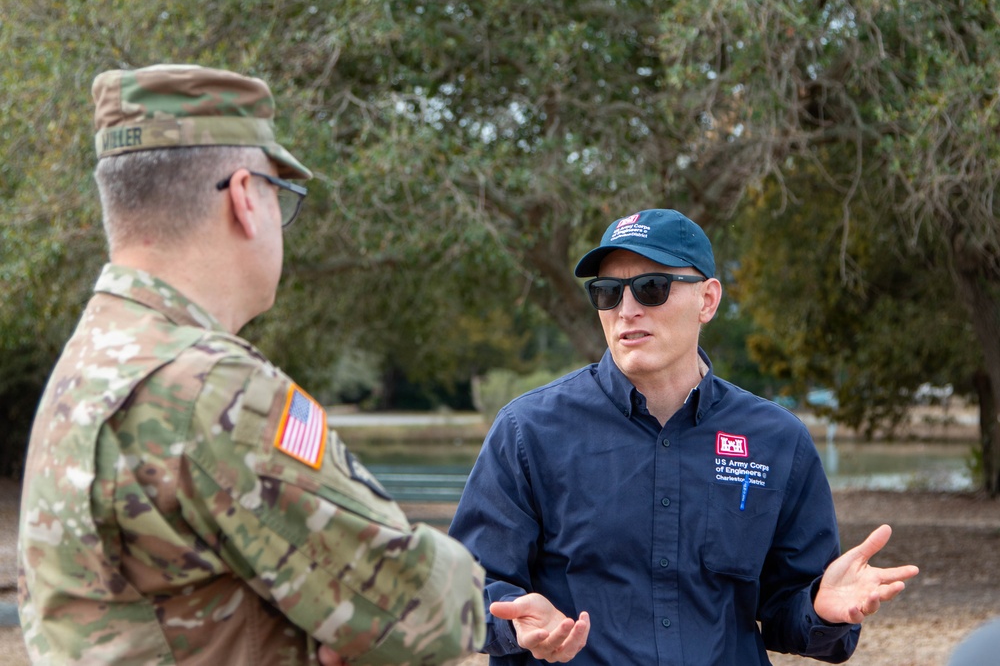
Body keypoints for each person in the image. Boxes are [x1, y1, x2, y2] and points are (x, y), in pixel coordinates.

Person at [17, 64, 485, 665]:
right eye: (279, 193)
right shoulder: (209, 388)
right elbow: (425, 610)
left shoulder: (89, 361)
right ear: (245, 197)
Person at [449, 209, 919, 664]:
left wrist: (820, 608)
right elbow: (465, 591)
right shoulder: (526, 431)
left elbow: (789, 615)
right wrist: (516, 625)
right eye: (608, 292)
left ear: (708, 300)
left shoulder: (778, 440)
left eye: (651, 288)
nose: (626, 309)